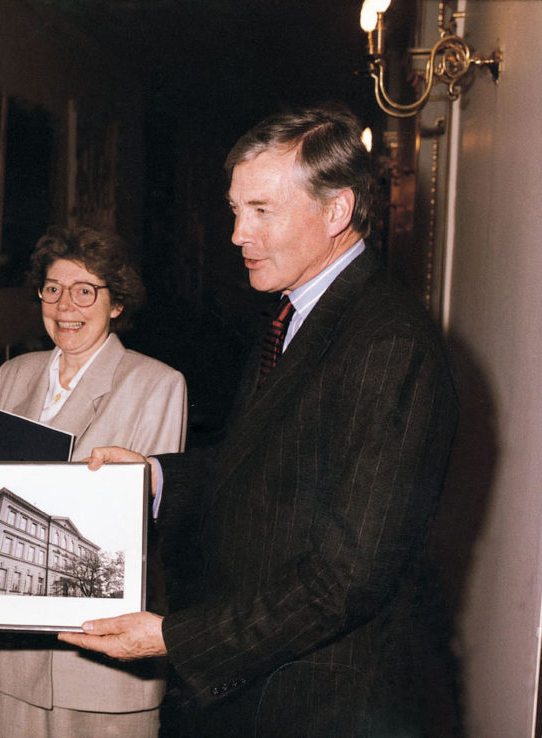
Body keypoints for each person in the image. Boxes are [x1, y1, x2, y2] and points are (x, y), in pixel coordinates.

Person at [59, 105, 460, 736]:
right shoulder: (295, 312)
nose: (237, 234)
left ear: (337, 211)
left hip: (315, 696)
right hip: (263, 675)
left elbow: (345, 583)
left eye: (262, 211)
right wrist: (158, 477)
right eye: (235, 209)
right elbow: (262, 461)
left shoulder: (388, 343)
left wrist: (174, 637)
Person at [0, 226, 187, 737]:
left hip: (104, 658)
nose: (64, 305)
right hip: (17, 652)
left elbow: (153, 525)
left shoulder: (157, 384)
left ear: (116, 303)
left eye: (85, 290)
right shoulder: (13, 374)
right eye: (52, 288)